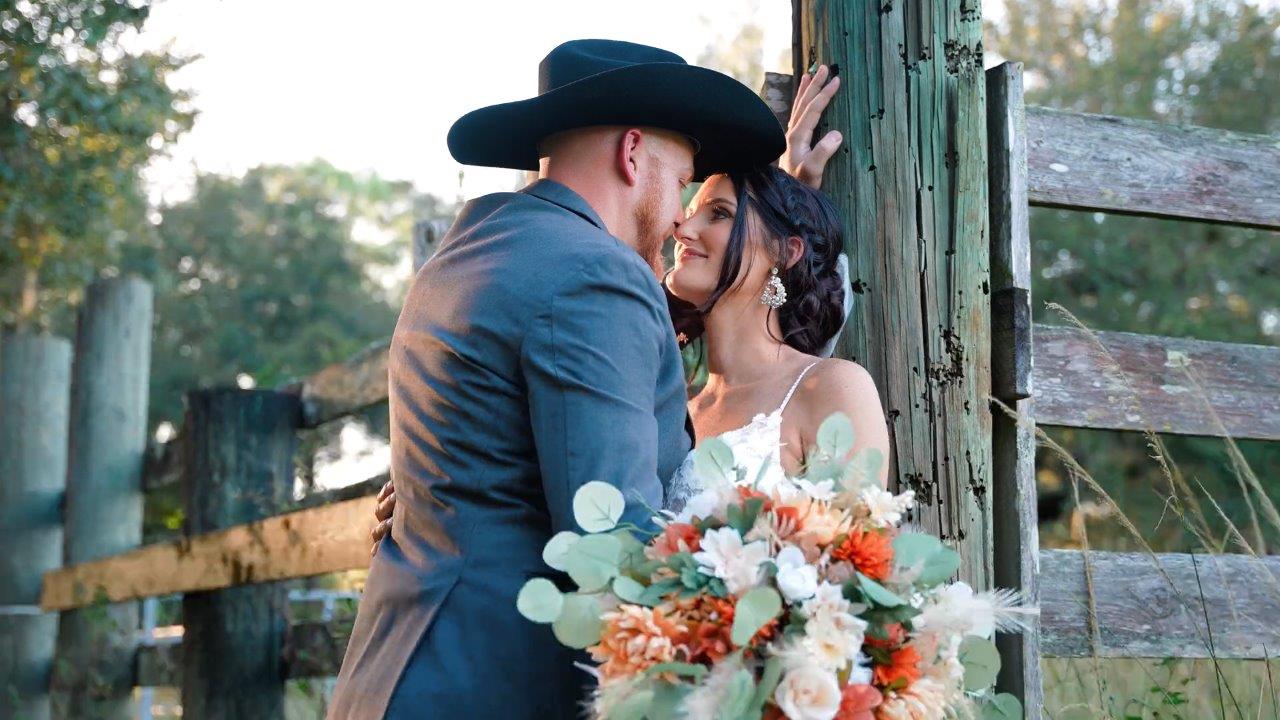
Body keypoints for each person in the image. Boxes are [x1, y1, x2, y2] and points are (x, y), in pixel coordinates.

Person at [329, 38, 792, 720]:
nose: (680, 216)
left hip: (394, 674)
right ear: (632, 154)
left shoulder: (468, 254)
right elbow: (610, 537)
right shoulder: (594, 274)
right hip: (493, 688)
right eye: (683, 180)